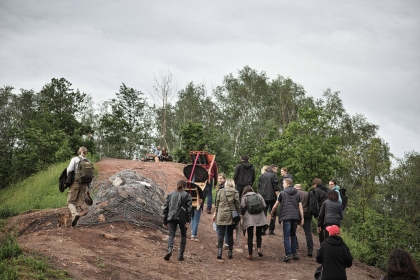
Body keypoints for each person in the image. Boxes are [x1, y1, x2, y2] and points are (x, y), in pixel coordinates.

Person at [271, 178, 304, 262]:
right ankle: (294, 253)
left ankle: (288, 254)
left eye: (283, 183)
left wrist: (272, 213)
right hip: (295, 216)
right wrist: (302, 218)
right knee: (293, 235)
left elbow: (275, 205)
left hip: (286, 216)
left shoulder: (282, 193)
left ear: (286, 183)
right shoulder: (297, 193)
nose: (282, 185)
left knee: (286, 236)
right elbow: (300, 206)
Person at [163, 180, 192, 261]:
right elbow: (189, 210)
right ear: (184, 186)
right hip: (183, 218)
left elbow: (166, 208)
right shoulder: (187, 195)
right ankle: (181, 255)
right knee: (183, 235)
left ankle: (169, 250)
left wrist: (165, 220)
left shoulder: (170, 194)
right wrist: (188, 221)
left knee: (171, 234)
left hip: (171, 217)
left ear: (177, 185)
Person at [212, 178, 240, 259]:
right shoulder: (235, 192)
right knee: (230, 234)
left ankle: (219, 252)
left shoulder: (220, 191)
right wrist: (238, 214)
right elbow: (237, 205)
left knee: (221, 234)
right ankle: (230, 252)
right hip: (231, 215)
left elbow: (216, 203)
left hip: (221, 214)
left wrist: (215, 213)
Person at [240, 185, 267, 260]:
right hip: (260, 217)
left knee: (250, 236)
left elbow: (242, 207)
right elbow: (264, 205)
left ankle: (250, 254)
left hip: (249, 218)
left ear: (244, 191)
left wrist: (242, 215)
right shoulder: (258, 195)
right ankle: (258, 249)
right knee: (258, 234)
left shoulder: (244, 197)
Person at [66, 146, 91, 227]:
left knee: (70, 202)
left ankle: (75, 214)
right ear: (85, 152)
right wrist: (88, 188)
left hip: (76, 183)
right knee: (79, 203)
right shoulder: (88, 161)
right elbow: (90, 176)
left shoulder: (75, 159)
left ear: (79, 151)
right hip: (84, 184)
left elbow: (69, 170)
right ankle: (75, 219)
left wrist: (68, 181)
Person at [258, 164, 280, 235]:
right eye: (276, 169)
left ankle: (262, 229)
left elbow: (259, 187)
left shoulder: (262, 175)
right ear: (273, 168)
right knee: (273, 213)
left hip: (263, 197)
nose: (277, 171)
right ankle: (271, 229)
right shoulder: (274, 176)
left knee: (263, 213)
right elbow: (276, 188)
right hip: (272, 197)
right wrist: (279, 198)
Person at [294, 184, 314, 257]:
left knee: (293, 230)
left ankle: (295, 245)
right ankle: (310, 249)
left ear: (296, 188)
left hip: (296, 212)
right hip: (307, 213)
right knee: (308, 232)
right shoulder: (307, 194)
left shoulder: (295, 193)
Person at [312, 178, 330, 244]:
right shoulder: (328, 190)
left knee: (320, 229)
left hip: (321, 211)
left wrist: (315, 214)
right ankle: (328, 245)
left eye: (313, 185)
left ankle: (322, 246)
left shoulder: (316, 191)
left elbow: (314, 203)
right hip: (329, 212)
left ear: (315, 184)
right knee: (327, 229)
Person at [215, 173, 230, 249]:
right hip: (221, 209)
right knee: (220, 227)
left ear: (224, 179)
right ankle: (223, 242)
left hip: (223, 210)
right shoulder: (220, 187)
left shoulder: (224, 187)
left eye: (221, 178)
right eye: (218, 178)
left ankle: (225, 243)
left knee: (222, 227)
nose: (219, 180)